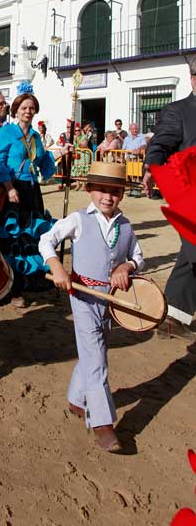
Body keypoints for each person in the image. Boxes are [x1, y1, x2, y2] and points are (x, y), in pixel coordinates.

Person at [39, 161, 144, 452]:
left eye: (115, 191)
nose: (108, 197)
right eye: (102, 190)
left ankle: (76, 399)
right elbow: (46, 240)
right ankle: (102, 424)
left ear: (122, 194)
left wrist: (126, 266)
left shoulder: (126, 225)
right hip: (82, 297)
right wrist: (56, 266)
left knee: (95, 349)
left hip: (111, 301)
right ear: (88, 190)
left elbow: (139, 257)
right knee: (97, 358)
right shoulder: (77, 219)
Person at [143, 58, 196, 339]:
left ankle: (174, 316)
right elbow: (160, 143)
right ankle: (173, 316)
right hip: (190, 196)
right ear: (193, 78)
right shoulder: (178, 111)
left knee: (192, 254)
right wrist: (150, 168)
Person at [0, 92, 57, 307]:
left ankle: (29, 282)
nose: (28, 111)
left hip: (31, 191)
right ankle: (13, 289)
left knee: (30, 238)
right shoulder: (7, 132)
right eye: (24, 108)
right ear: (16, 110)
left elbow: (43, 162)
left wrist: (63, 152)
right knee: (13, 239)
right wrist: (9, 188)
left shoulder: (35, 136)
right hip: (12, 189)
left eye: (31, 108)